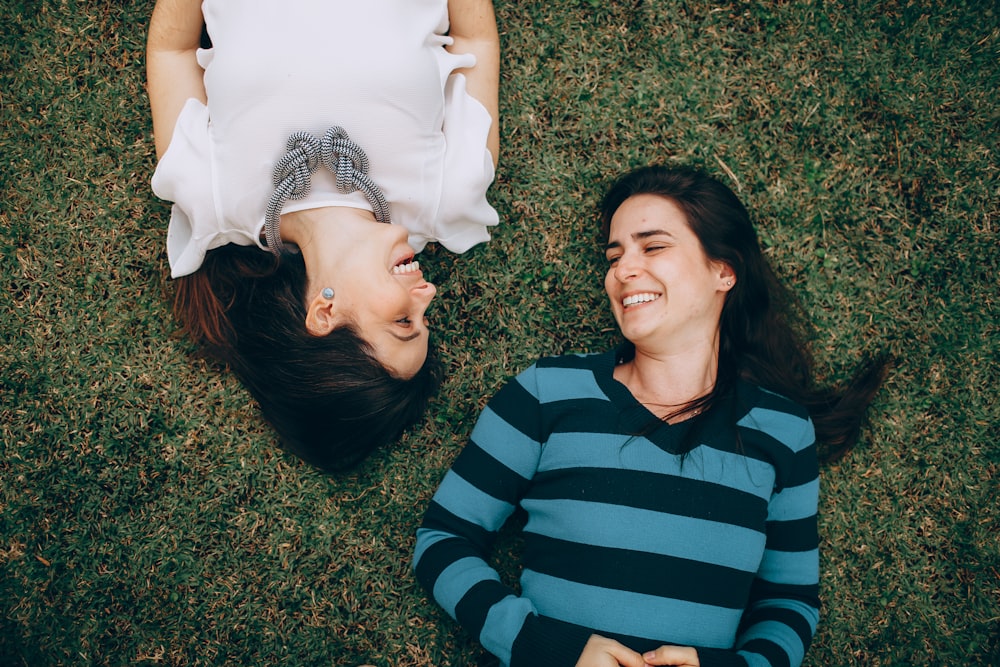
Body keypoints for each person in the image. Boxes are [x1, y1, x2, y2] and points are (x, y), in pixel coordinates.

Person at [413, 165, 888, 667]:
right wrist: (546, 648)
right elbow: (443, 541)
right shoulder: (546, 393)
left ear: (723, 271)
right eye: (614, 255)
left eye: (652, 246)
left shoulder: (783, 432)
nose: (622, 269)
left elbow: (790, 602)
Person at [146, 0, 500, 470]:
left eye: (403, 323)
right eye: (426, 319)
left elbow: (173, 49)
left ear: (324, 312)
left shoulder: (213, 199)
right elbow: (476, 42)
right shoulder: (449, 197)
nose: (428, 294)